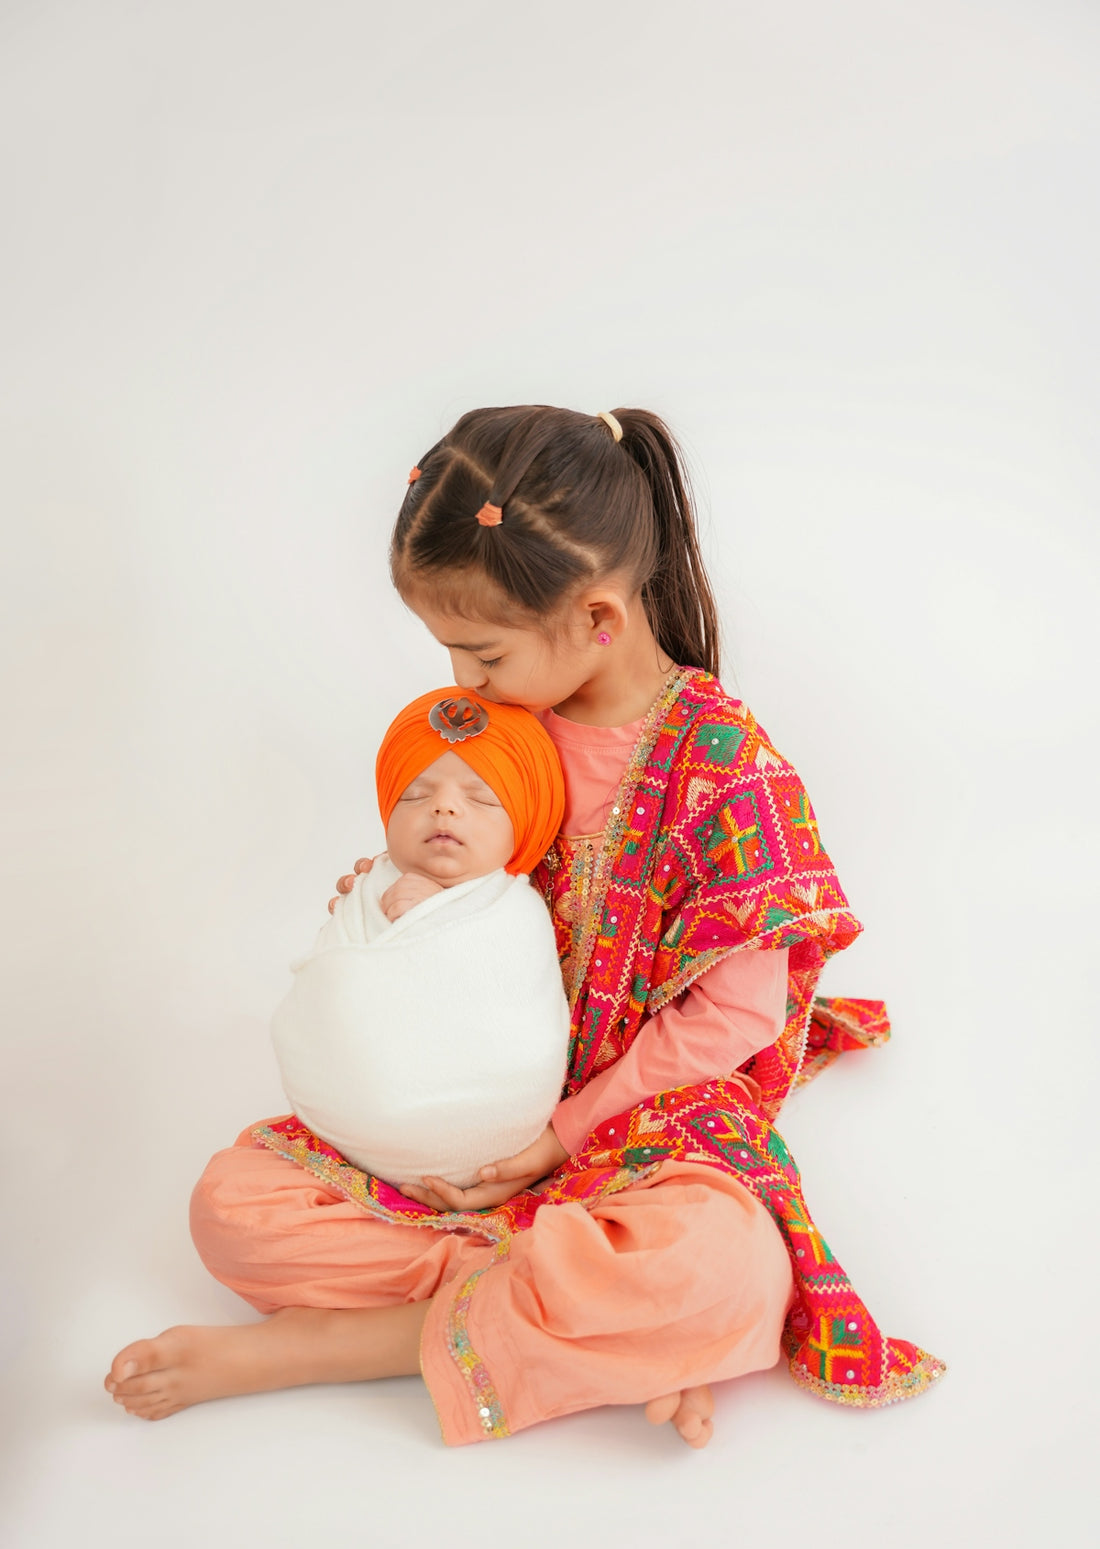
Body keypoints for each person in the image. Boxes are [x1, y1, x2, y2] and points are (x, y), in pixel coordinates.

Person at [105, 404, 943, 1446]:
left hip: (636, 1122)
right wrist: (395, 902)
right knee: (230, 1204)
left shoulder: (729, 770)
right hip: (466, 1102)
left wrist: (564, 1133)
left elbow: (736, 1016)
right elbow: (443, 866)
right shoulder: (499, 736)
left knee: (721, 1268)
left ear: (596, 618)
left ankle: (335, 1343)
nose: (463, 683)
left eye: (481, 652)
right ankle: (591, 1312)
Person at [270, 686, 571, 1192]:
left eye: (479, 798)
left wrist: (430, 916)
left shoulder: (513, 910)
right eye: (415, 794)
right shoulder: (369, 884)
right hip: (349, 1141)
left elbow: (512, 1028)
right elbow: (333, 996)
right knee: (229, 1205)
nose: (444, 809)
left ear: (526, 828)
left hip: (496, 1145)